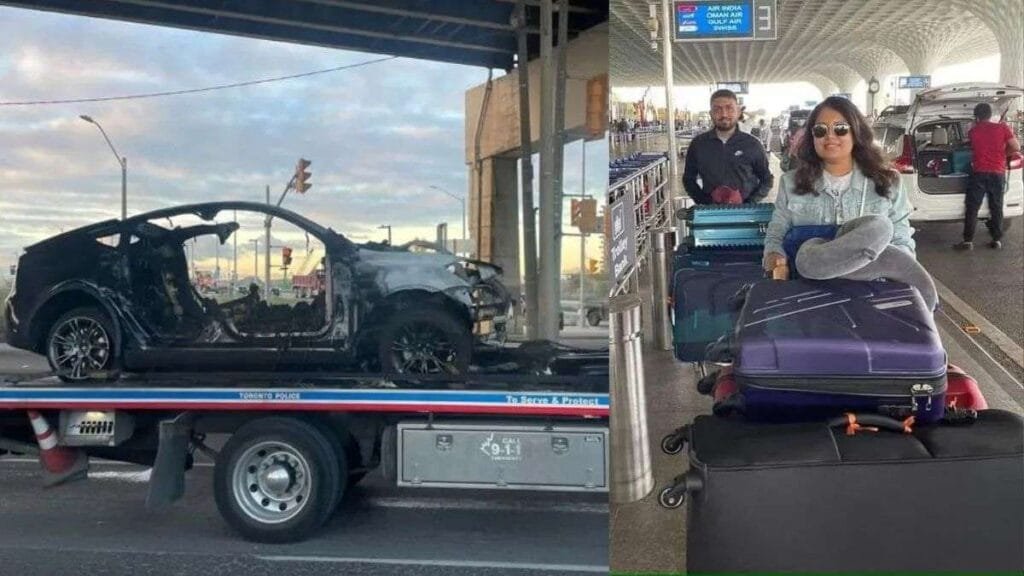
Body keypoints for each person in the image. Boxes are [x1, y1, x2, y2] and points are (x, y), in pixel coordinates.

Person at [763, 96, 915, 275]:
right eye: (820, 130)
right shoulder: (790, 183)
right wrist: (775, 259)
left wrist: (899, 276)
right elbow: (775, 235)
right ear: (812, 137)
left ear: (856, 132)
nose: (830, 136)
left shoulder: (888, 182)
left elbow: (901, 240)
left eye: (840, 129)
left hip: (871, 289)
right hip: (808, 287)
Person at [682, 89, 774, 204]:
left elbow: (767, 179)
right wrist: (705, 202)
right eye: (717, 109)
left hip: (747, 215)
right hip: (711, 215)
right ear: (711, 114)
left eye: (729, 108)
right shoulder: (699, 144)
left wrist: (750, 203)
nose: (724, 114)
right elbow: (688, 179)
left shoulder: (752, 144)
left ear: (739, 112)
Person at [954, 102, 1021, 250]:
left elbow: (971, 145)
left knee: (972, 207)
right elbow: (1016, 147)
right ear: (990, 115)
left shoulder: (973, 131)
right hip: (997, 172)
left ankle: (968, 241)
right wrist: (1003, 155)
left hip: (979, 173)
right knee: (996, 206)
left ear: (976, 117)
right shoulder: (1003, 128)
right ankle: (996, 240)